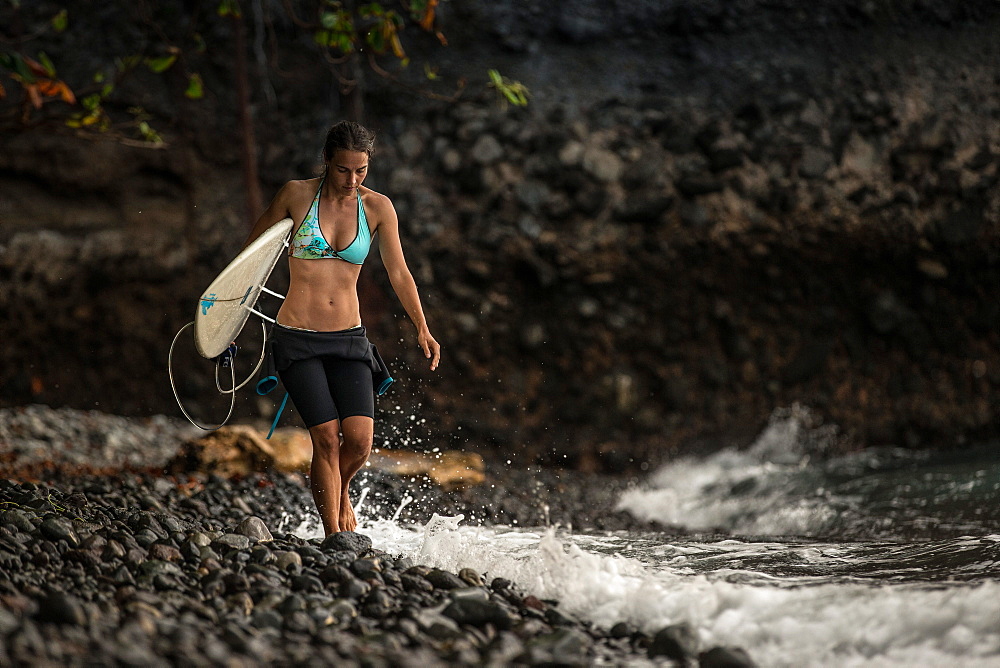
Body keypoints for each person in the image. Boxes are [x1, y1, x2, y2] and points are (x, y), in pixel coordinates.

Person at [242, 120, 440, 536]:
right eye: (343, 170)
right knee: (327, 438)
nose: (352, 180)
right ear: (327, 161)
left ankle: (342, 487)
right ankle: (334, 534)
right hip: (297, 336)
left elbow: (399, 273)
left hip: (349, 337)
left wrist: (422, 326)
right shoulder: (296, 195)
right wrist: (224, 310)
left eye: (361, 171)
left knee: (360, 441)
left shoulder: (378, 208)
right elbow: (251, 252)